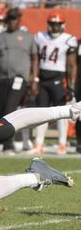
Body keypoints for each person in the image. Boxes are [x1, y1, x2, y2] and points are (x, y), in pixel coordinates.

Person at [0, 7, 39, 153]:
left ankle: (8, 144)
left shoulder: (28, 36)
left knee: (10, 109)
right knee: (2, 110)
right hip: (2, 78)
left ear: (19, 19)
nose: (12, 21)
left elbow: (35, 57)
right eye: (10, 18)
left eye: (15, 18)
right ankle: (1, 142)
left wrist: (34, 78)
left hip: (19, 78)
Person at [32, 12, 78, 155]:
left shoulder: (68, 39)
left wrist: (71, 86)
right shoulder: (40, 36)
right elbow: (35, 59)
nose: (55, 27)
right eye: (52, 24)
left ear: (62, 25)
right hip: (43, 78)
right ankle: (39, 144)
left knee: (62, 113)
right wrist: (34, 78)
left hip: (58, 78)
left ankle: (62, 144)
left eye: (57, 24)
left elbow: (72, 65)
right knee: (41, 112)